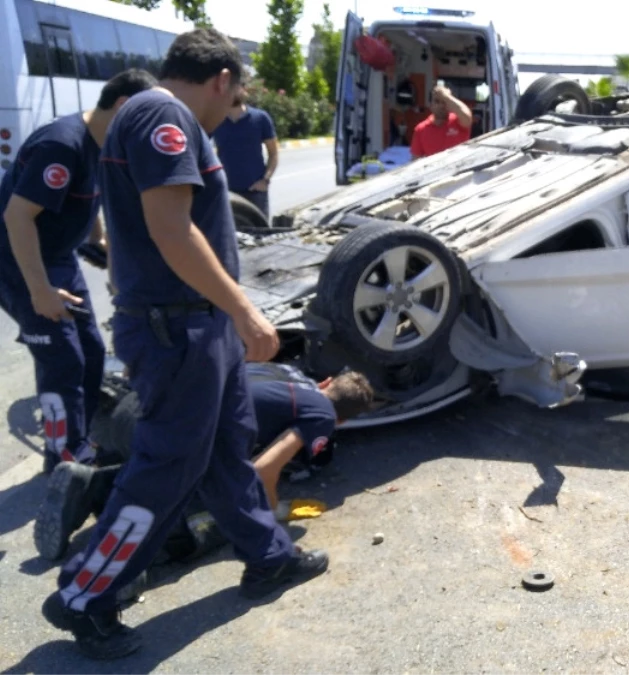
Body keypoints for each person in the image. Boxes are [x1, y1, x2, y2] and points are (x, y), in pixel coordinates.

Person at [41, 29, 329, 660]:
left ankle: (268, 556)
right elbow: (172, 232)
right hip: (181, 330)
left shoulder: (149, 113)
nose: (235, 108)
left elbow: (150, 230)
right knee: (166, 467)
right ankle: (85, 594)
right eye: (236, 96)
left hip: (196, 327)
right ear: (222, 78)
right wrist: (248, 312)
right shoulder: (163, 114)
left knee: (225, 449)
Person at [35, 363, 375, 562]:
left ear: (327, 382)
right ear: (340, 422)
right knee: (215, 516)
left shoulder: (285, 371)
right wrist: (272, 512)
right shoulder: (324, 417)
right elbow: (262, 471)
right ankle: (130, 559)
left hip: (136, 409)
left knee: (173, 474)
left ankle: (91, 484)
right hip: (169, 435)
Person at [0, 70, 158, 474]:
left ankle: (79, 442)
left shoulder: (103, 143)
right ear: (123, 107)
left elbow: (90, 201)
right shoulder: (62, 145)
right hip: (18, 260)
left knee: (89, 353)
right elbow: (18, 218)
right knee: (62, 359)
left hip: (58, 257)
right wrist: (39, 293)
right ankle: (64, 461)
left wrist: (100, 245)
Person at [211, 89, 278, 219]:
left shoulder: (260, 118)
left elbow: (273, 153)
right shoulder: (216, 120)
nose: (235, 91)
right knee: (229, 235)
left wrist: (265, 180)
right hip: (226, 192)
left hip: (255, 191)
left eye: (237, 87)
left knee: (260, 234)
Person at [410, 83, 473, 159]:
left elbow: (467, 117)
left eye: (444, 102)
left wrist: (447, 96)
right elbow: (415, 160)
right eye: (437, 101)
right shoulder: (421, 129)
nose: (441, 105)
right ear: (431, 105)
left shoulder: (458, 121)